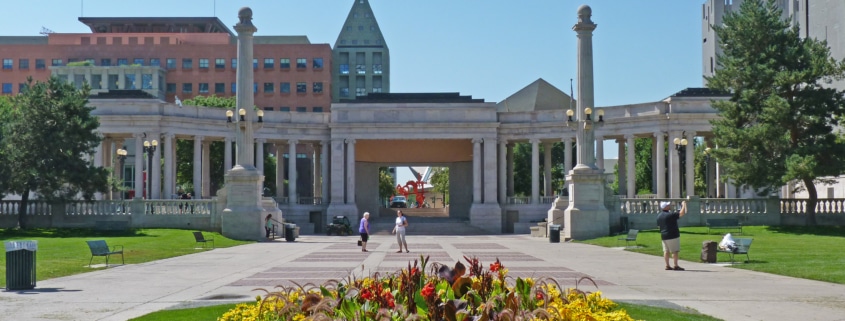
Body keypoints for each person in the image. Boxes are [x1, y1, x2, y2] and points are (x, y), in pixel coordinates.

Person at [657, 200, 686, 271]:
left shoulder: (659, 216)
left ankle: (667, 265)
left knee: (666, 251)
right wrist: (684, 205)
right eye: (668, 205)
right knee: (675, 251)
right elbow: (682, 213)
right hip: (672, 235)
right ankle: (676, 265)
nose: (669, 206)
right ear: (666, 207)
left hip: (663, 236)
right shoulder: (670, 215)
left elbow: (658, 227)